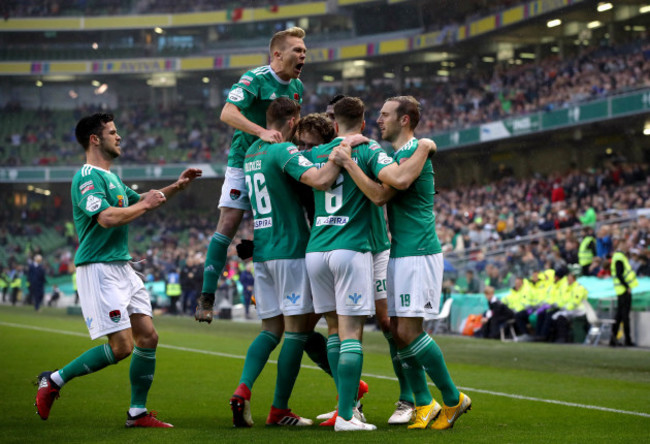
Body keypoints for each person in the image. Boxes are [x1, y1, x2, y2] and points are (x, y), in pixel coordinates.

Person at [35, 112, 202, 427]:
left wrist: (177, 187)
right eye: (113, 132)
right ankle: (54, 380)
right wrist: (145, 205)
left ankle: (137, 413)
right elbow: (108, 217)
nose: (119, 136)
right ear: (95, 139)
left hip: (123, 267)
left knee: (148, 337)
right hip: (98, 268)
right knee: (122, 346)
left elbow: (143, 200)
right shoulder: (87, 176)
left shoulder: (112, 178)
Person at [330, 95, 471, 431]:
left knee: (408, 330)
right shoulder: (398, 156)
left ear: (405, 119)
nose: (379, 120)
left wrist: (350, 163)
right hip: (402, 252)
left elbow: (397, 185)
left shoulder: (414, 151)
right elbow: (381, 195)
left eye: (385, 115)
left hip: (419, 252)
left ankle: (451, 399)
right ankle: (426, 403)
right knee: (398, 330)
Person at [315, 96, 437, 431]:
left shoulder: (369, 151)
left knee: (390, 326)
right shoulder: (329, 153)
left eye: (331, 118)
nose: (329, 124)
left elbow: (390, 188)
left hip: (376, 247)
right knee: (340, 328)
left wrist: (424, 146)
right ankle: (349, 405)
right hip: (348, 248)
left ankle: (410, 399)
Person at [229, 97, 344, 427]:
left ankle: (243, 389)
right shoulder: (283, 151)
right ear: (293, 121)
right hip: (291, 249)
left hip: (263, 254)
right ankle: (280, 409)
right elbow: (320, 180)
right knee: (296, 333)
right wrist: (341, 155)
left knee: (270, 330)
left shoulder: (251, 152)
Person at [196, 27, 307, 323]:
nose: (303, 54)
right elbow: (227, 112)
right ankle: (207, 296)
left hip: (277, 162)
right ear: (277, 54)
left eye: (304, 50)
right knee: (229, 222)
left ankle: (278, 287)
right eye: (297, 50)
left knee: (282, 216)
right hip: (244, 158)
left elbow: (293, 127)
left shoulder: (298, 87)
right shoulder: (255, 79)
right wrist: (262, 132)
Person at [609, 241, 637, 346]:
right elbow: (619, 274)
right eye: (626, 245)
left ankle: (613, 339)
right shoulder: (620, 258)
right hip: (623, 291)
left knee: (619, 316)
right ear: (622, 245)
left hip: (621, 290)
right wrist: (627, 287)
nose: (628, 247)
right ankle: (627, 340)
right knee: (624, 316)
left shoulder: (618, 257)